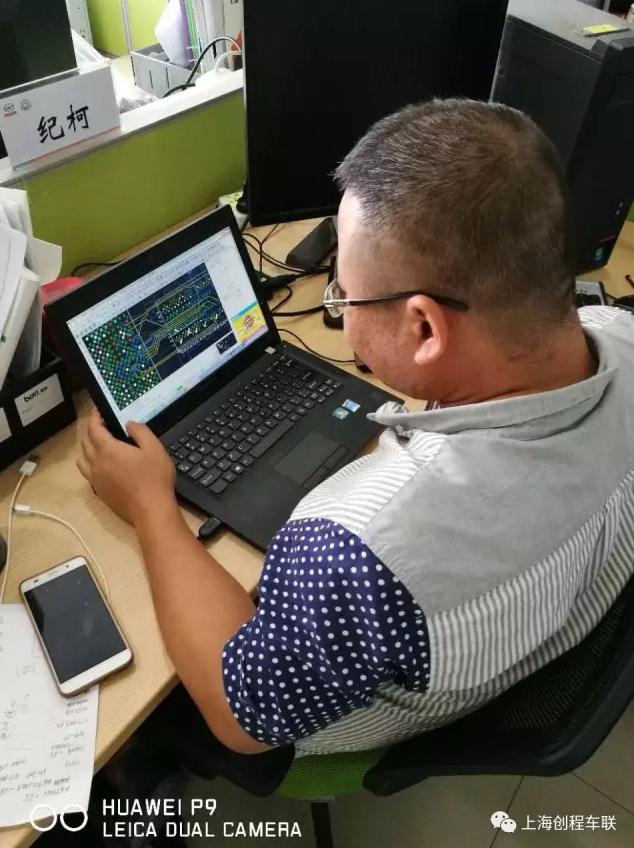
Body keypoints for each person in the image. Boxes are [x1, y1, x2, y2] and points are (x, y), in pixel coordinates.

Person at [78, 99, 634, 782]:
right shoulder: (622, 335)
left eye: (345, 292)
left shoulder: (356, 550)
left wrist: (152, 508)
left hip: (359, 724)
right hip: (541, 623)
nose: (337, 309)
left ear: (425, 329)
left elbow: (238, 718)